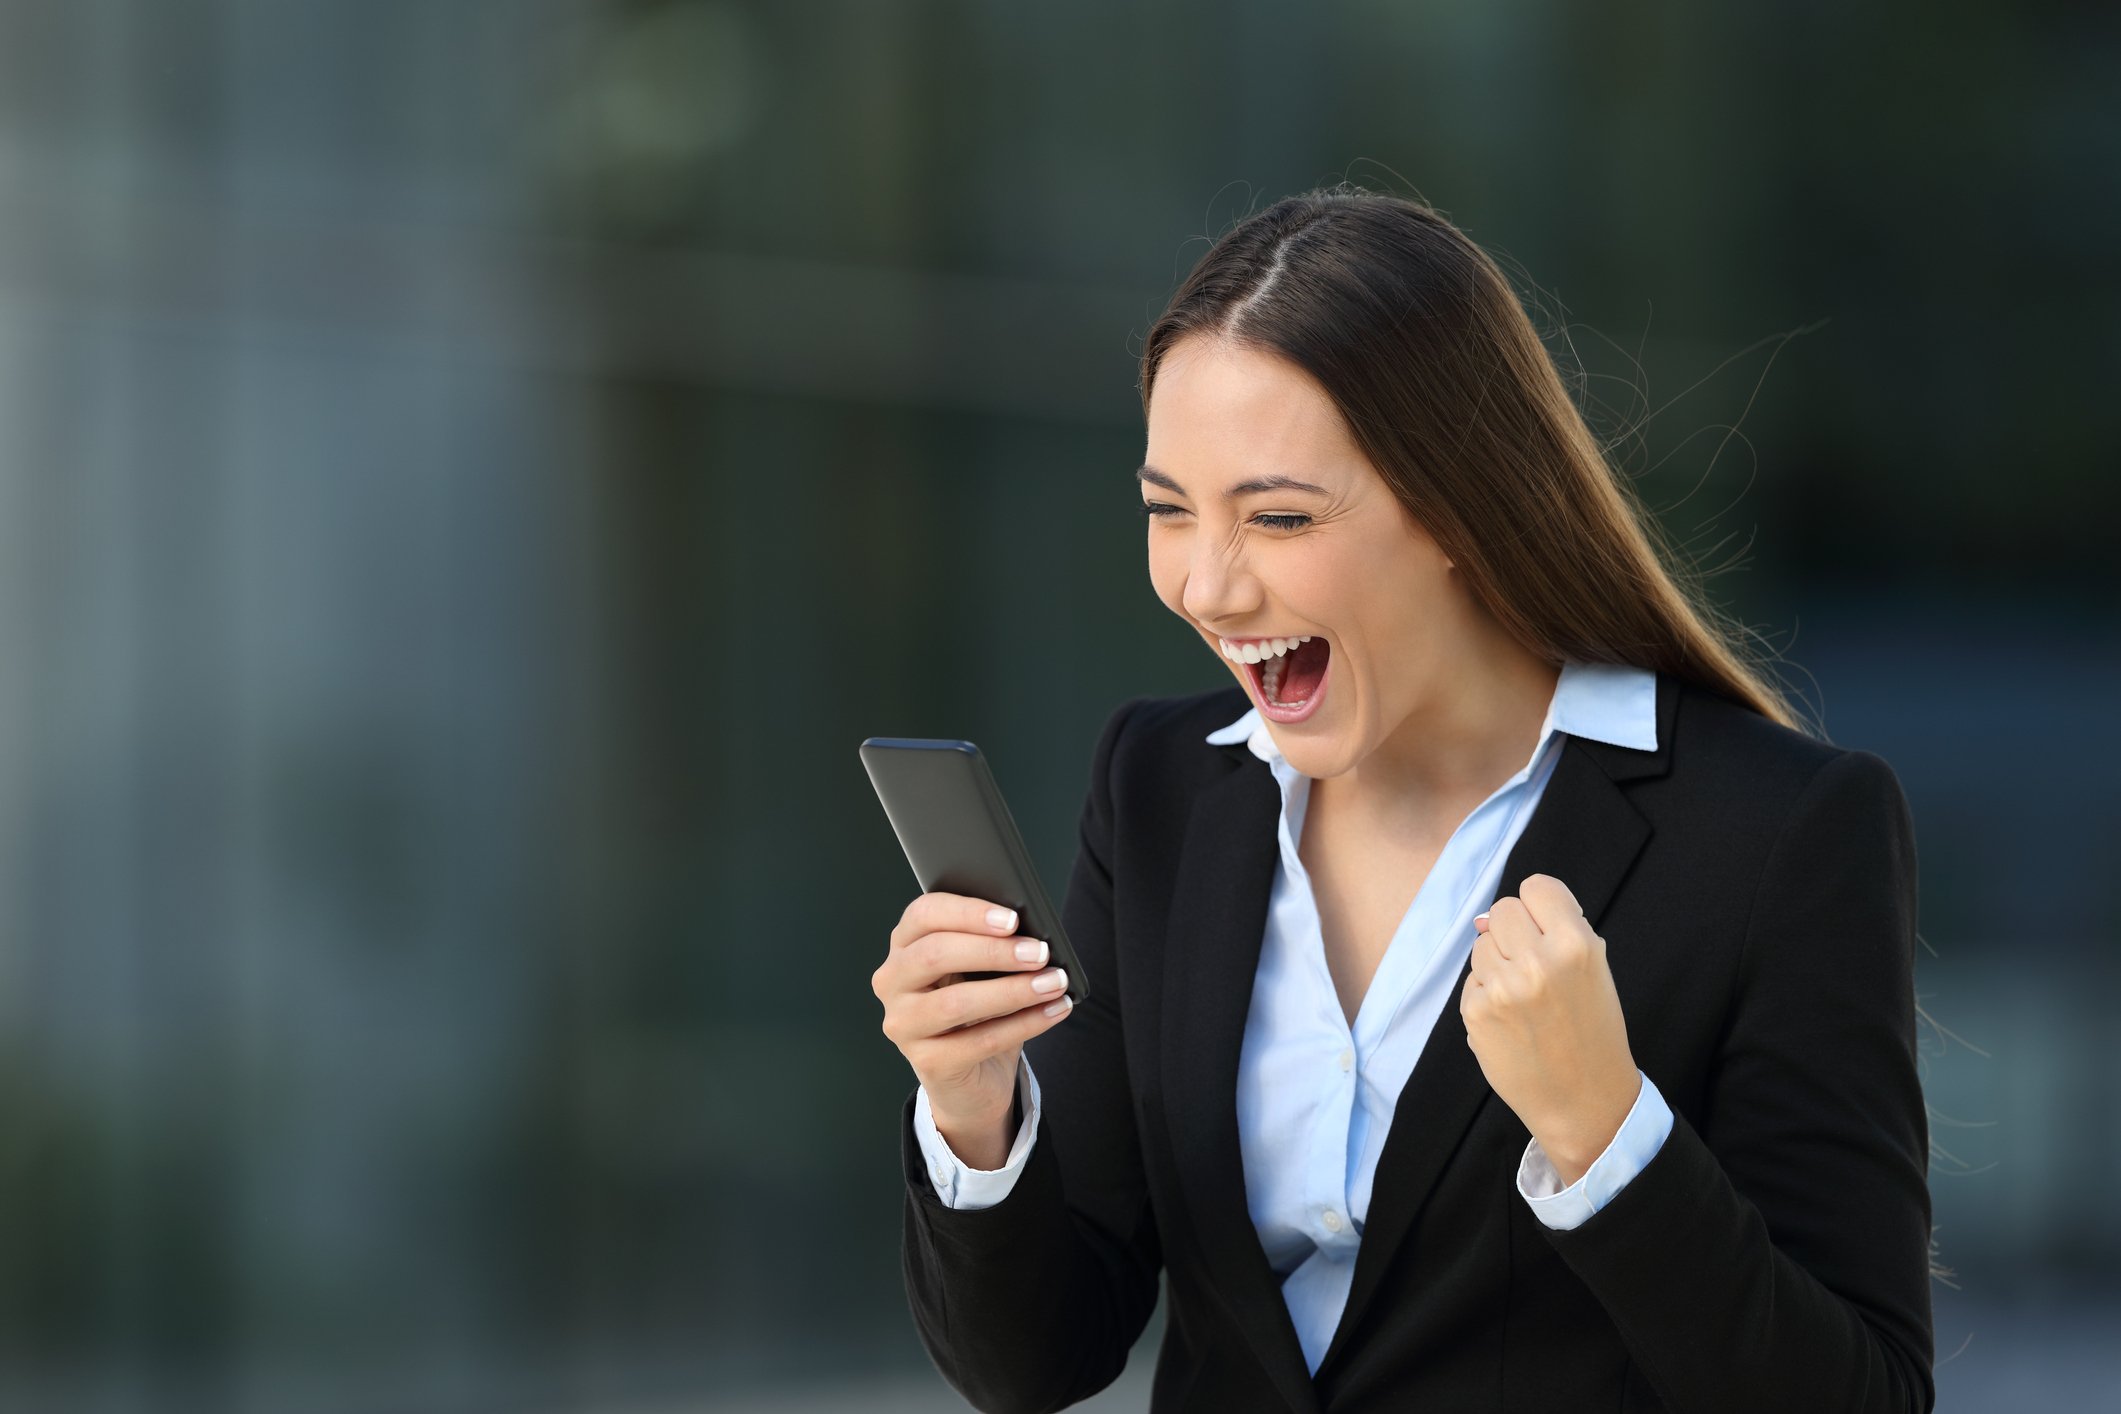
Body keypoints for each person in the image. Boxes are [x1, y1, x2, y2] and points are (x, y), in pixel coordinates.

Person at [869, 184, 1934, 1413]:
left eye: (1278, 516)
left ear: (1456, 507)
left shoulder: (1777, 829)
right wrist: (974, 1109)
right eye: (1168, 511)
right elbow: (1038, 1357)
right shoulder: (1162, 788)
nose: (1207, 586)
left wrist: (1605, 1130)